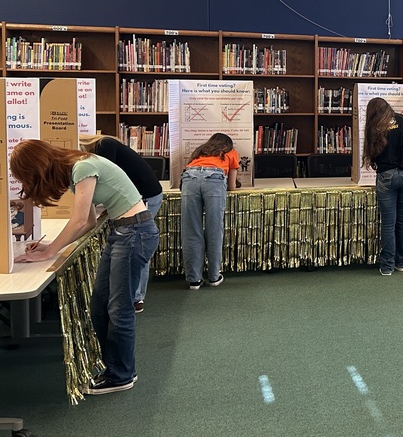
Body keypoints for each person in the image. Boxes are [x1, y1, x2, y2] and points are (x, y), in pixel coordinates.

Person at [11, 139, 157, 395]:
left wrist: (49, 252)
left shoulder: (82, 167)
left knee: (118, 310)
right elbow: (89, 222)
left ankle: (121, 375)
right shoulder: (76, 170)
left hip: (134, 232)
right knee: (100, 306)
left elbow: (79, 221)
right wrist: (49, 247)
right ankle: (119, 368)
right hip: (124, 231)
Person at [80, 134, 163, 313]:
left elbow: (105, 177)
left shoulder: (105, 145)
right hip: (141, 195)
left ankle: (137, 298)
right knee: (137, 246)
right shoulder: (106, 145)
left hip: (146, 195)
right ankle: (133, 296)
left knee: (138, 244)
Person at [362, 98, 403, 276]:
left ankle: (387, 266)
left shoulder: (375, 127)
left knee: (388, 223)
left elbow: (372, 155)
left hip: (386, 175)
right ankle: (402, 263)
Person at [180, 133, 239, 290]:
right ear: (228, 144)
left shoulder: (199, 151)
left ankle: (194, 280)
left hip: (189, 177)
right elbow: (232, 186)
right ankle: (214, 276)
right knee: (214, 229)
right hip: (214, 179)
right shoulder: (230, 152)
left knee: (191, 230)